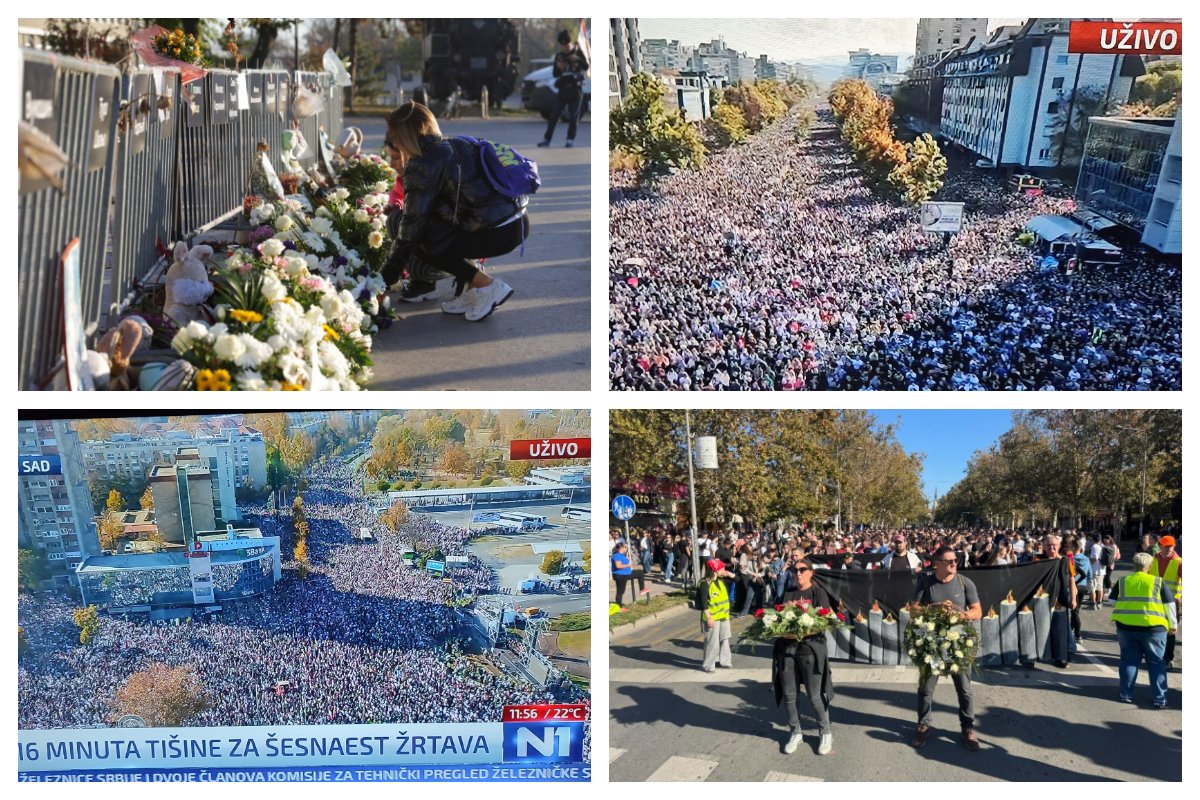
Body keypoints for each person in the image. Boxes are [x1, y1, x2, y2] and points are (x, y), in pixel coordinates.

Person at [381, 102, 526, 321]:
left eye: (395, 136)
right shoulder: (453, 144)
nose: (395, 142)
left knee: (415, 232)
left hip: (496, 231)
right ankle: (473, 289)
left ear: (404, 135)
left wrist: (384, 278)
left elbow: (412, 226)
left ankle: (487, 286)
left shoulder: (423, 162)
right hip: (514, 222)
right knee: (432, 229)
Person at [912, 546, 983, 751]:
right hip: (932, 644)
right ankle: (923, 725)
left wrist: (961, 615)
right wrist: (934, 608)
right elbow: (913, 609)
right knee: (926, 689)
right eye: (949, 561)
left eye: (955, 560)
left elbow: (978, 610)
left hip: (959, 645)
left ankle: (967, 727)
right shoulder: (926, 582)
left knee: (965, 689)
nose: (954, 563)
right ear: (937, 563)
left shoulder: (964, 582)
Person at [773, 555, 836, 756]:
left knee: (814, 696)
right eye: (795, 570)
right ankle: (795, 732)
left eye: (802, 570)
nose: (798, 573)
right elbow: (777, 616)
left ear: (811, 572)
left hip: (810, 649)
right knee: (789, 696)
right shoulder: (788, 593)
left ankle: (825, 732)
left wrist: (806, 618)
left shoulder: (818, 592)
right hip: (788, 650)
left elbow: (824, 619)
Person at [1110, 552, 1175, 708]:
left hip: (1126, 627)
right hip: (1154, 629)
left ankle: (1126, 694)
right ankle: (1159, 698)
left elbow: (1112, 600)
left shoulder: (1123, 581)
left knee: (1129, 661)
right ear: (1150, 566)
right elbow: (1169, 605)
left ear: (1134, 565)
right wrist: (1173, 625)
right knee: (1156, 662)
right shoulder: (1158, 582)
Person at [537, 30, 588, 148]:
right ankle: (546, 139)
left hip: (576, 89)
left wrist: (578, 60)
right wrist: (560, 68)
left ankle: (570, 139)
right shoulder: (559, 56)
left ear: (571, 43)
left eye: (567, 46)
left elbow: (586, 67)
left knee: (574, 116)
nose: (566, 48)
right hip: (563, 89)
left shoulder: (578, 52)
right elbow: (555, 74)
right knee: (554, 116)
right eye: (563, 46)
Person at [1148, 535, 1182, 669]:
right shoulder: (1153, 559)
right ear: (1160, 545)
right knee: (1153, 629)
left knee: (1171, 631)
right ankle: (1155, 655)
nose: (1169, 549)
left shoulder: (1178, 562)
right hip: (1154, 601)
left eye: (1171, 546)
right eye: (1166, 546)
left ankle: (1168, 658)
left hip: (1171, 603)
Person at [697, 559, 734, 672]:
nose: (724, 569)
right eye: (722, 567)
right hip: (712, 617)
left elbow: (737, 579)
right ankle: (708, 665)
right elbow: (703, 603)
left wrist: (729, 574)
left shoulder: (720, 580)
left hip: (723, 616)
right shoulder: (705, 583)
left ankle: (725, 662)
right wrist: (709, 618)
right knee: (712, 642)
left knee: (724, 639)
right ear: (715, 570)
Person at [610, 541, 632, 609]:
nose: (626, 548)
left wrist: (628, 560)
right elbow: (618, 566)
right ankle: (619, 606)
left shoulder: (622, 555)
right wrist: (628, 565)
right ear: (621, 548)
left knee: (622, 591)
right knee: (620, 591)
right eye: (625, 547)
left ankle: (619, 604)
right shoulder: (617, 555)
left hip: (624, 574)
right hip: (619, 575)